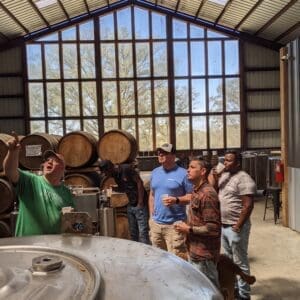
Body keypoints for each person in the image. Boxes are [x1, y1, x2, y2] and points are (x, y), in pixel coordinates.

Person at [3, 133, 74, 237]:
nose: (49, 162)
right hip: (29, 246)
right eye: (47, 160)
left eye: (55, 161)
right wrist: (12, 152)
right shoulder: (30, 181)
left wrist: (76, 224)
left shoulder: (66, 192)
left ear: (63, 169)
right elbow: (10, 170)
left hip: (54, 246)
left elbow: (74, 222)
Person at [209, 150, 256, 300]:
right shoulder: (225, 176)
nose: (225, 163)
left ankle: (244, 295)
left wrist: (238, 226)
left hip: (236, 227)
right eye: (225, 160)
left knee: (240, 261)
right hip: (224, 225)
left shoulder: (244, 179)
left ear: (238, 163)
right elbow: (215, 192)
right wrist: (216, 177)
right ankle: (233, 289)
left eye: (229, 161)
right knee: (229, 262)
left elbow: (248, 205)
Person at [171, 157, 221, 288]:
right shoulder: (196, 190)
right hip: (194, 250)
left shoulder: (207, 194)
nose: (188, 170)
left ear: (203, 171)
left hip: (203, 255)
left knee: (210, 291)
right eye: (189, 167)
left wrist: (188, 229)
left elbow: (213, 228)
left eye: (192, 167)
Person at [148, 143, 193, 259]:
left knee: (177, 260)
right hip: (156, 225)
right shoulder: (155, 172)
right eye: (159, 152)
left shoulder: (183, 173)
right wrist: (151, 214)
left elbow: (192, 196)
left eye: (164, 153)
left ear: (173, 156)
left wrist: (176, 200)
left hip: (175, 225)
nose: (160, 154)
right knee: (158, 259)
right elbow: (152, 194)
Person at [99, 160, 150, 244]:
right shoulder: (115, 176)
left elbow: (139, 182)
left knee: (143, 233)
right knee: (133, 233)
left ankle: (146, 254)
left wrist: (140, 202)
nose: (106, 175)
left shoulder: (126, 169)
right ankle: (136, 252)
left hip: (140, 204)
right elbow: (124, 188)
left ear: (109, 168)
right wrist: (114, 189)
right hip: (131, 204)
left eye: (106, 172)